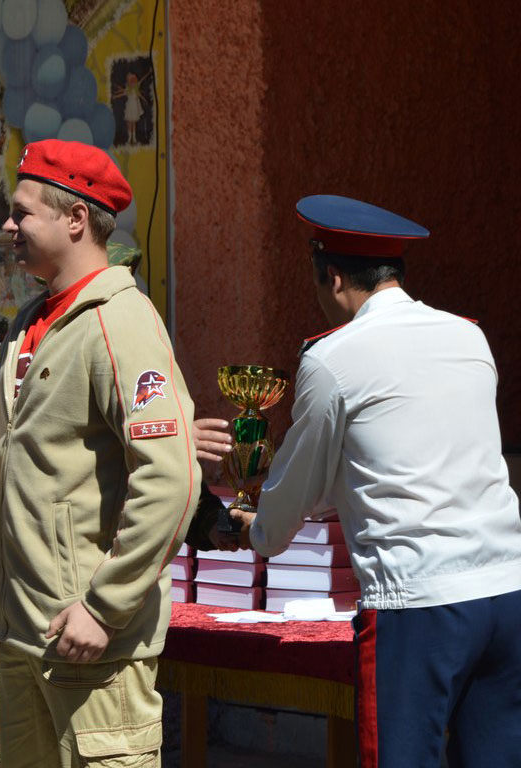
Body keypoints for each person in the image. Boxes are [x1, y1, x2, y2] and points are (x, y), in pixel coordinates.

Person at [0, 139, 201, 767]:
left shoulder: (122, 320)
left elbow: (171, 479)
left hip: (90, 646)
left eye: (22, 212)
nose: (8, 227)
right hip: (23, 636)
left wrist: (104, 609)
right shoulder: (31, 320)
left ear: (76, 218)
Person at [244, 195, 521, 768]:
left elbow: (297, 492)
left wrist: (257, 528)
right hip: (506, 587)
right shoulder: (468, 337)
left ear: (333, 277)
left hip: (418, 603)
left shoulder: (332, 358)